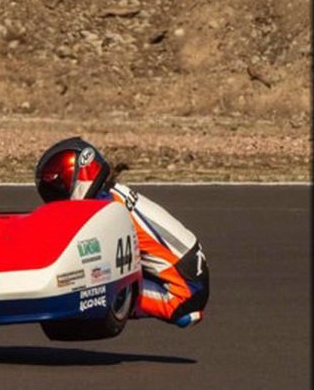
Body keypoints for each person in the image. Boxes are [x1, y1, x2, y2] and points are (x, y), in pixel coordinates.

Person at [34, 136, 210, 328]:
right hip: (188, 266)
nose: (54, 195)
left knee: (89, 291)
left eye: (58, 187)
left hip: (182, 292)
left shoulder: (105, 207)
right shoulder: (108, 194)